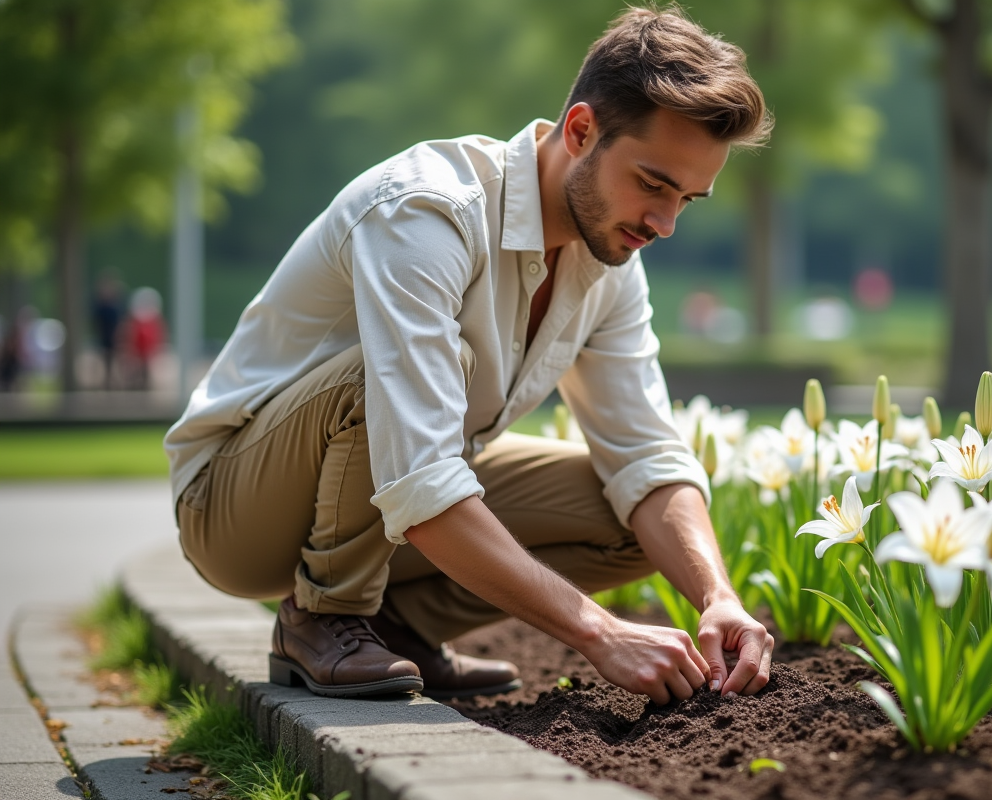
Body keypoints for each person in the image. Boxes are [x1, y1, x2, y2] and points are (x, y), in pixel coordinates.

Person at [165, 6, 775, 704]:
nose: (664, 224)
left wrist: (715, 597)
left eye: (688, 200)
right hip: (236, 511)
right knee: (383, 384)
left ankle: (394, 627)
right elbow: (419, 475)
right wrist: (598, 633)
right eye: (654, 184)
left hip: (378, 492)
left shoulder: (609, 261)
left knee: (635, 518)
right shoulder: (428, 213)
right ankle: (326, 617)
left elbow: (646, 454)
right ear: (581, 131)